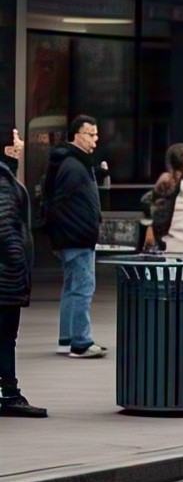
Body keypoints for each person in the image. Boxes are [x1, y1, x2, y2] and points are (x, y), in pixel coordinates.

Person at [43, 115, 105, 358]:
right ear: (77, 135)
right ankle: (81, 342)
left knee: (71, 288)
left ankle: (67, 338)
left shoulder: (71, 162)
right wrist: (83, 229)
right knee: (83, 288)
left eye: (96, 134)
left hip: (72, 236)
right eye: (91, 134)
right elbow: (62, 202)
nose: (95, 140)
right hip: (78, 236)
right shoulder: (73, 165)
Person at [1, 131, 47, 416]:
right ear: (7, 147)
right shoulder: (3, 182)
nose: (21, 143)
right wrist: (18, 261)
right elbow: (4, 225)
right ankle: (9, 393)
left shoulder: (7, 177)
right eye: (16, 138)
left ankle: (8, 391)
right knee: (6, 337)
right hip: (6, 278)